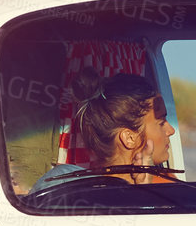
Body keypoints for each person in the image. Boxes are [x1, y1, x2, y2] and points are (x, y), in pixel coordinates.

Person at [30, 73, 178, 193]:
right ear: (129, 138)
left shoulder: (58, 185)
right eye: (161, 122)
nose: (171, 130)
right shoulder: (168, 190)